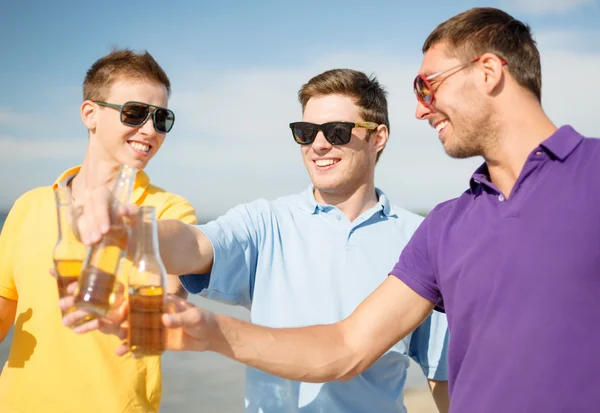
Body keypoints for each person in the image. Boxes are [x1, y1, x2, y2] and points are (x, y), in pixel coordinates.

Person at [66, 68, 451, 412]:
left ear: (377, 137)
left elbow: (442, 372)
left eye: (336, 132)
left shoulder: (419, 239)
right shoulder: (265, 223)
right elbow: (192, 244)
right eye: (305, 132)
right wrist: (132, 229)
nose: (318, 145)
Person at [0, 49, 197, 413]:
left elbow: (168, 306)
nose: (150, 130)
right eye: (135, 113)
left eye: (162, 119)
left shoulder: (168, 211)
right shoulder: (30, 206)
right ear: (90, 114)